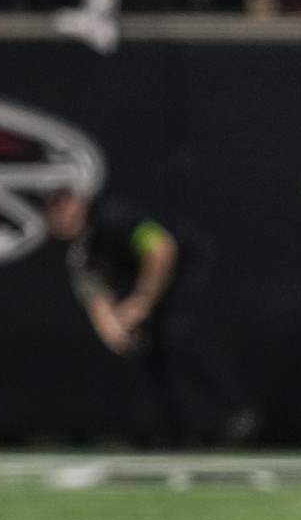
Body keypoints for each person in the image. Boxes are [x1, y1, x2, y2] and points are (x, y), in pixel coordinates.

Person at [42, 188, 233, 448]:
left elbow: (161, 247)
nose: (61, 216)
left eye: (63, 206)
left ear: (79, 203)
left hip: (184, 268)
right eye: (53, 210)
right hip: (147, 284)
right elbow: (97, 300)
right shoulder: (80, 251)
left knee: (176, 335)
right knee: (146, 352)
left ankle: (231, 414)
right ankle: (176, 432)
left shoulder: (113, 218)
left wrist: (142, 300)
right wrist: (116, 332)